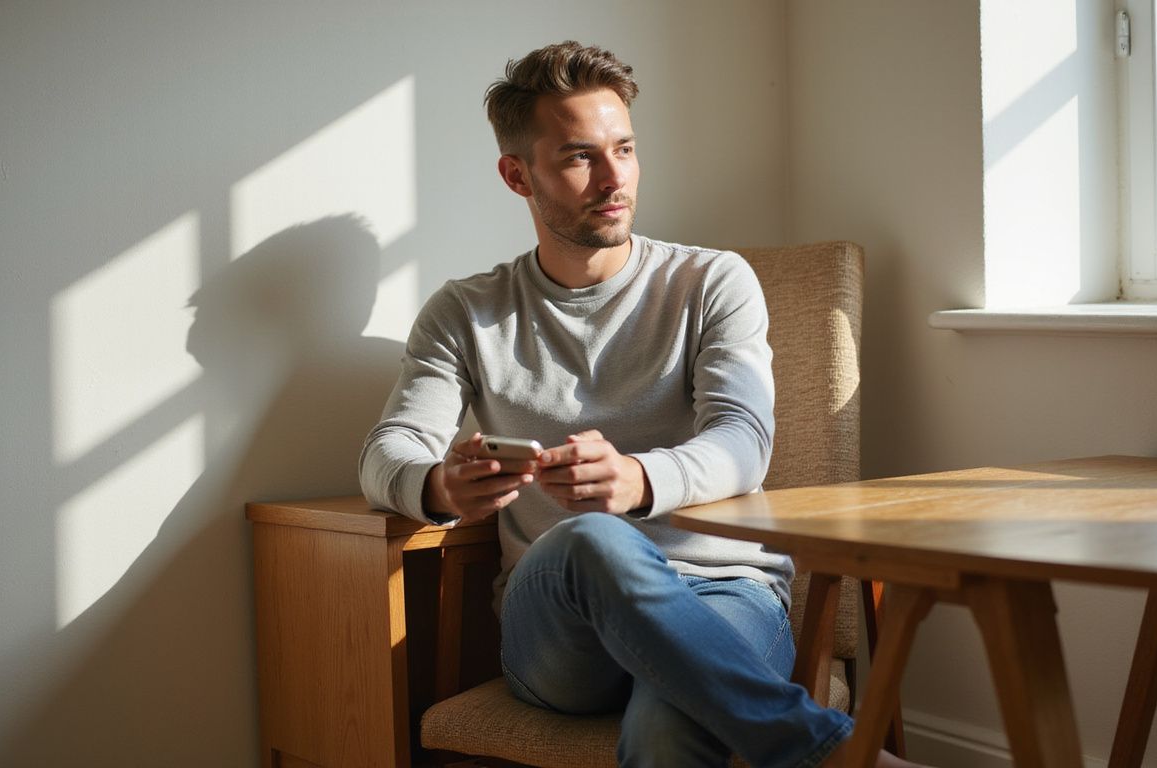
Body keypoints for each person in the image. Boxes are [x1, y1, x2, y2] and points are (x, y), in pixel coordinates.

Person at [360, 41, 926, 768]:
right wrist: (441, 486)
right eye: (578, 158)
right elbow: (385, 452)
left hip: (724, 596)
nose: (614, 178)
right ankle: (835, 755)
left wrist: (638, 480)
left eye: (623, 149)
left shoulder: (712, 281)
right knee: (591, 539)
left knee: (668, 729)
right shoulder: (466, 313)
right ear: (516, 174)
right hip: (563, 632)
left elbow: (744, 439)